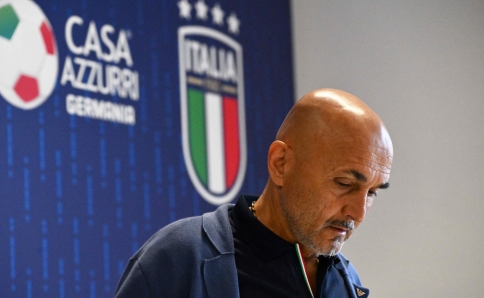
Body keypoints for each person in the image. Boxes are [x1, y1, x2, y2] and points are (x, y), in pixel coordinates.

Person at [114, 88, 393, 298]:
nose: (357, 213)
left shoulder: (346, 280)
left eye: (372, 193)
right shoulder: (177, 258)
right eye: (344, 183)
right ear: (280, 163)